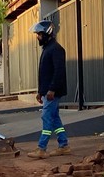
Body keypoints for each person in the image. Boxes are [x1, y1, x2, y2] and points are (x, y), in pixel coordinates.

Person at [27, 20, 71, 159]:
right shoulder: (47, 49)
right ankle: (64, 145)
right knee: (54, 118)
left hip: (52, 92)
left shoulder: (56, 49)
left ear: (47, 34)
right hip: (47, 92)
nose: (37, 37)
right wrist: (40, 92)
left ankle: (42, 148)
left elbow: (58, 72)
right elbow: (44, 73)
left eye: (39, 34)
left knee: (46, 117)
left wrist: (51, 90)